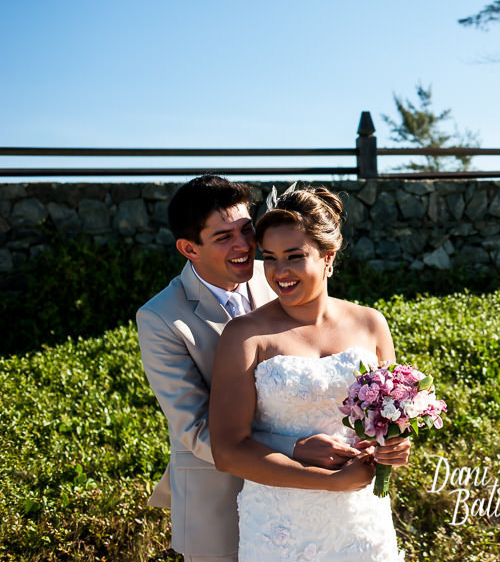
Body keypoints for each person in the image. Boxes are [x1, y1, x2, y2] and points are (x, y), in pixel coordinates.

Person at [138, 175, 364, 561]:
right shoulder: (161, 318)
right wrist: (296, 448)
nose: (244, 245)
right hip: (218, 498)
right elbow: (195, 428)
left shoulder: (277, 271)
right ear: (189, 248)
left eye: (246, 230)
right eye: (224, 237)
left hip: (313, 499)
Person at [209, 186, 410, 562]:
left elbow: (388, 422)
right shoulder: (245, 336)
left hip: (361, 524)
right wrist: (329, 482)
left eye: (295, 256)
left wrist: (392, 447)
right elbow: (228, 452)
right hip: (279, 528)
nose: (279, 272)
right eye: (270, 258)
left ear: (328, 257)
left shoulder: (371, 324)